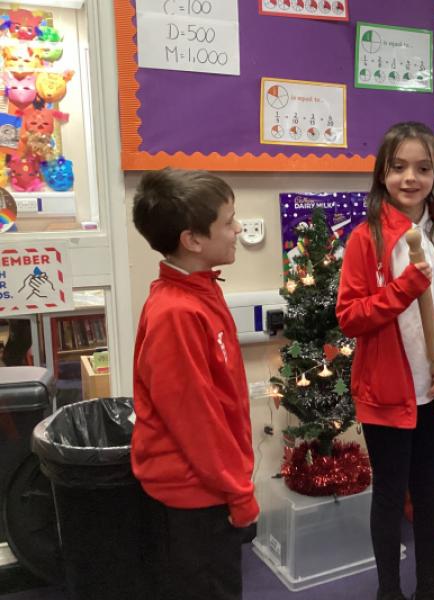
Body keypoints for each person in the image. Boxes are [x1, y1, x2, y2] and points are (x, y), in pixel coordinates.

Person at [337, 122, 434, 600]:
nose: (410, 178)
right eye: (399, 167)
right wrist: (402, 290)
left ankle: (427, 588)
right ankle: (389, 591)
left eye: (423, 168)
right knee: (389, 494)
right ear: (382, 174)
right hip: (386, 396)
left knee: (429, 492)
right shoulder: (366, 239)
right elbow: (350, 317)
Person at [131, 168, 257, 600]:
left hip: (211, 486)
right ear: (193, 240)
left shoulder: (202, 290)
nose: (238, 229)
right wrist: (238, 493)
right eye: (228, 221)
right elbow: (196, 422)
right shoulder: (176, 313)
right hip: (194, 496)